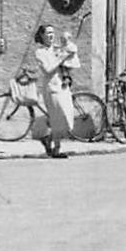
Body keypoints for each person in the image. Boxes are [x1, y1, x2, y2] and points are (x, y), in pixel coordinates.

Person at [33, 24, 80, 159]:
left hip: (63, 86)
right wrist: (61, 58)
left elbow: (69, 61)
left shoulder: (57, 48)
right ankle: (56, 149)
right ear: (42, 35)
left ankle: (49, 140)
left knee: (68, 117)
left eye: (52, 32)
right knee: (58, 118)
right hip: (51, 87)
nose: (51, 35)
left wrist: (68, 54)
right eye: (48, 33)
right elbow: (47, 70)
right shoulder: (40, 52)